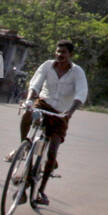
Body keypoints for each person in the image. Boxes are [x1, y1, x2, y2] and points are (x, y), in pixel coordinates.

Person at [12, 40, 88, 206]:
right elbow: (36, 82)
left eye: (64, 53)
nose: (60, 55)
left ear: (70, 55)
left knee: (52, 153)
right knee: (28, 112)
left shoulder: (77, 72)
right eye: (58, 51)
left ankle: (41, 191)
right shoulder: (47, 65)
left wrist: (70, 111)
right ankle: (23, 147)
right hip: (44, 103)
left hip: (62, 113)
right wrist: (30, 99)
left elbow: (82, 93)